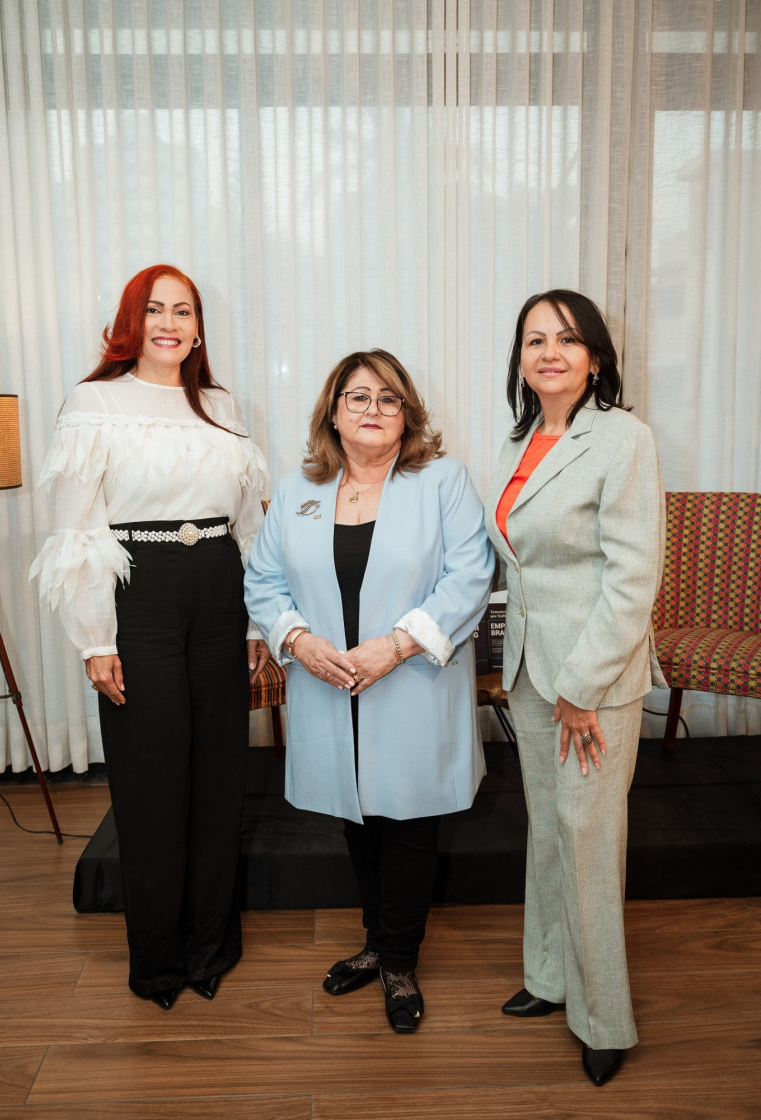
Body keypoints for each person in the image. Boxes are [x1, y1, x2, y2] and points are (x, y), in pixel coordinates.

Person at [31, 264, 269, 1010]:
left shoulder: (223, 406)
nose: (170, 323)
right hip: (140, 593)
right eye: (155, 310)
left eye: (184, 311)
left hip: (221, 588)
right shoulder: (93, 402)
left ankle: (211, 946)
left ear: (198, 329)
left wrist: (258, 618)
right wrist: (95, 640)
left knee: (219, 774)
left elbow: (250, 523)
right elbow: (77, 531)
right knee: (151, 778)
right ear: (131, 323)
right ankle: (159, 961)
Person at [244, 348, 494, 1033]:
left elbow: (471, 575)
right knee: (357, 817)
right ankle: (377, 942)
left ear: (407, 413)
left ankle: (400, 963)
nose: (374, 410)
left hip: (410, 679)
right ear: (334, 411)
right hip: (331, 682)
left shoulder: (441, 481)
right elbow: (263, 579)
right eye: (358, 397)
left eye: (389, 398)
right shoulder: (299, 490)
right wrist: (297, 640)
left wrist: (397, 646)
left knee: (408, 824)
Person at [484, 290, 666, 1085]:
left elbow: (633, 577)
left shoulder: (623, 438)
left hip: (592, 678)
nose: (549, 352)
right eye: (535, 340)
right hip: (530, 669)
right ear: (521, 359)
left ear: (595, 357)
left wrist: (583, 685)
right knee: (550, 829)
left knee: (589, 840)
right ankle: (552, 977)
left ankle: (604, 1019)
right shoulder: (517, 440)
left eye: (566, 339)